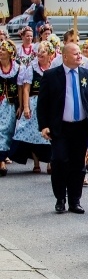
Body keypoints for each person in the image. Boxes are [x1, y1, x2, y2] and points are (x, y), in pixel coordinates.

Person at [37, 43, 88, 213]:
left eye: (80, 53)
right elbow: (42, 103)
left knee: (78, 165)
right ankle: (60, 198)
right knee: (59, 161)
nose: (80, 56)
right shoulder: (51, 75)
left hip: (81, 127)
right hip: (60, 128)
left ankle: (75, 201)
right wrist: (43, 126)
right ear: (65, 57)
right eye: (75, 54)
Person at [11, 41, 54, 173]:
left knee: (51, 133)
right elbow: (26, 89)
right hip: (34, 104)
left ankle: (51, 162)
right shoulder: (31, 68)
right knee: (33, 134)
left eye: (43, 53)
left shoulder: (55, 68)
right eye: (38, 53)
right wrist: (26, 107)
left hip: (50, 104)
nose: (39, 55)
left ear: (50, 54)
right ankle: (36, 162)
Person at [0, 40, 23, 177]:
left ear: (10, 52)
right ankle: (1, 161)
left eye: (3, 49)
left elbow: (20, 88)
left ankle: (3, 157)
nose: (0, 51)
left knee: (7, 131)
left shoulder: (17, 68)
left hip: (10, 105)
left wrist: (21, 105)